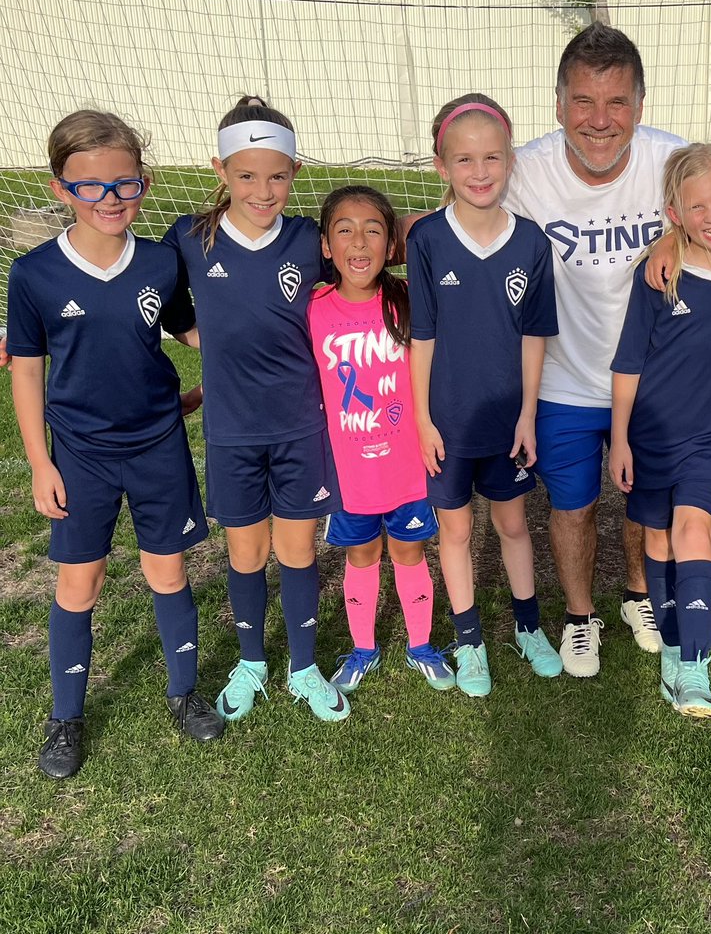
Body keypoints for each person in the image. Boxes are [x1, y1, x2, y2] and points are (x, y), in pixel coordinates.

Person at [7, 110, 223, 778]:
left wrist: (242, 355)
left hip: (158, 443)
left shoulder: (161, 262)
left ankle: (183, 696)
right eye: (91, 186)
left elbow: (192, 333)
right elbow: (28, 369)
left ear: (145, 184)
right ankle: (66, 716)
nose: (109, 199)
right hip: (79, 453)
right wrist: (41, 460)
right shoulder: (34, 273)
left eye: (123, 185)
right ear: (59, 189)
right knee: (82, 581)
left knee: (168, 571)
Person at [503, 24, 686, 676]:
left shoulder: (675, 165)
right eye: (583, 101)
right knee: (571, 507)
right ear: (558, 106)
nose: (599, 121)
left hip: (652, 380)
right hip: (562, 379)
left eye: (616, 103)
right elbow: (453, 222)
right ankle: (580, 618)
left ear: (640, 105)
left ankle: (639, 594)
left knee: (647, 502)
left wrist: (680, 235)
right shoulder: (525, 171)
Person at [164, 97, 347, 723]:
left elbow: (373, 249)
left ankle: (302, 666)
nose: (262, 190)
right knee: (244, 553)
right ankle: (251, 662)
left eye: (277, 175)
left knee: (297, 552)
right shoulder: (189, 237)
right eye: (247, 175)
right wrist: (199, 341)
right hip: (233, 432)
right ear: (220, 170)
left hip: (301, 426)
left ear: (295, 172)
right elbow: (156, 301)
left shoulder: (305, 237)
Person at [408, 94, 562, 696]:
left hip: (507, 422)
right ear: (442, 166)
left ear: (510, 161)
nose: (480, 172)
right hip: (446, 421)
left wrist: (527, 414)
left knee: (513, 524)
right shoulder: (427, 239)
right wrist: (422, 419)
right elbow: (422, 337)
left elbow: (532, 337)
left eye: (492, 158)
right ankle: (469, 640)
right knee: (455, 532)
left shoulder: (530, 242)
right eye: (465, 160)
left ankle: (528, 627)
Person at [610, 144, 711, 719]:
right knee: (658, 543)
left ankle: (694, 667)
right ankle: (672, 643)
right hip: (652, 431)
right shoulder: (658, 275)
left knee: (694, 533)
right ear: (674, 213)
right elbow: (628, 363)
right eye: (696, 207)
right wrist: (620, 437)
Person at [310, 185, 455, 694]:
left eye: (373, 230)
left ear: (390, 243)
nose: (359, 243)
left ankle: (420, 645)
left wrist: (409, 225)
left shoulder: (409, 300)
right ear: (325, 245)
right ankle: (363, 648)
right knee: (362, 556)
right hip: (350, 470)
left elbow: (437, 226)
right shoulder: (314, 306)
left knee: (411, 553)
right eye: (344, 231)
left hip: (406, 466)